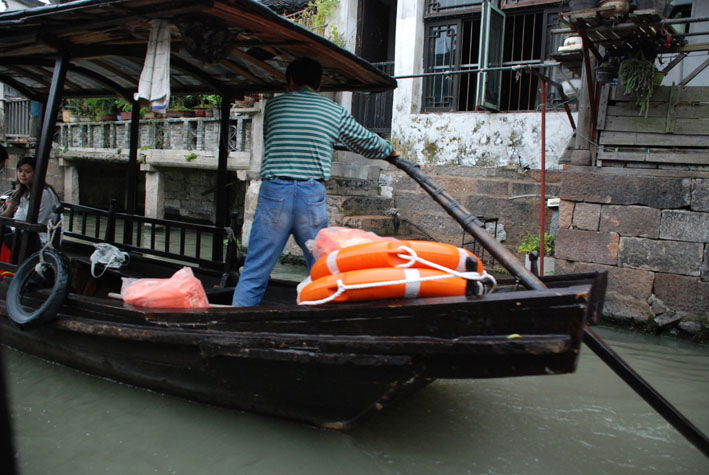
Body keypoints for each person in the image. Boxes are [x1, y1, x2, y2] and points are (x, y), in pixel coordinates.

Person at [232, 57, 400, 306]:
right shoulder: (333, 110)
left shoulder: (274, 108)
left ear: (290, 80)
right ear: (319, 85)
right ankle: (321, 319)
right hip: (311, 194)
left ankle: (235, 326)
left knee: (256, 269)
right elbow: (364, 140)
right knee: (322, 266)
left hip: (275, 192)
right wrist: (390, 151)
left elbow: (273, 139)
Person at [1, 156, 61, 255]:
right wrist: (10, 208)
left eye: (28, 172)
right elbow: (18, 219)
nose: (23, 175)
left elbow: (38, 222)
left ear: (36, 173)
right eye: (20, 171)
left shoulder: (44, 194)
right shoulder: (25, 194)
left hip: (42, 240)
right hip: (25, 234)